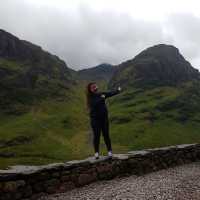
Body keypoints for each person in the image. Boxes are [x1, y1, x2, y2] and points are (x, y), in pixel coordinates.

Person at [86, 82, 122, 159]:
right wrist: (102, 98)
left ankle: (110, 151)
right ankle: (96, 153)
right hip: (95, 120)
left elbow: (109, 94)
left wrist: (118, 91)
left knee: (106, 135)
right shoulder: (90, 97)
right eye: (92, 87)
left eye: (95, 86)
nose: (95, 88)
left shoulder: (101, 94)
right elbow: (94, 104)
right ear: (90, 89)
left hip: (104, 119)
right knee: (97, 136)